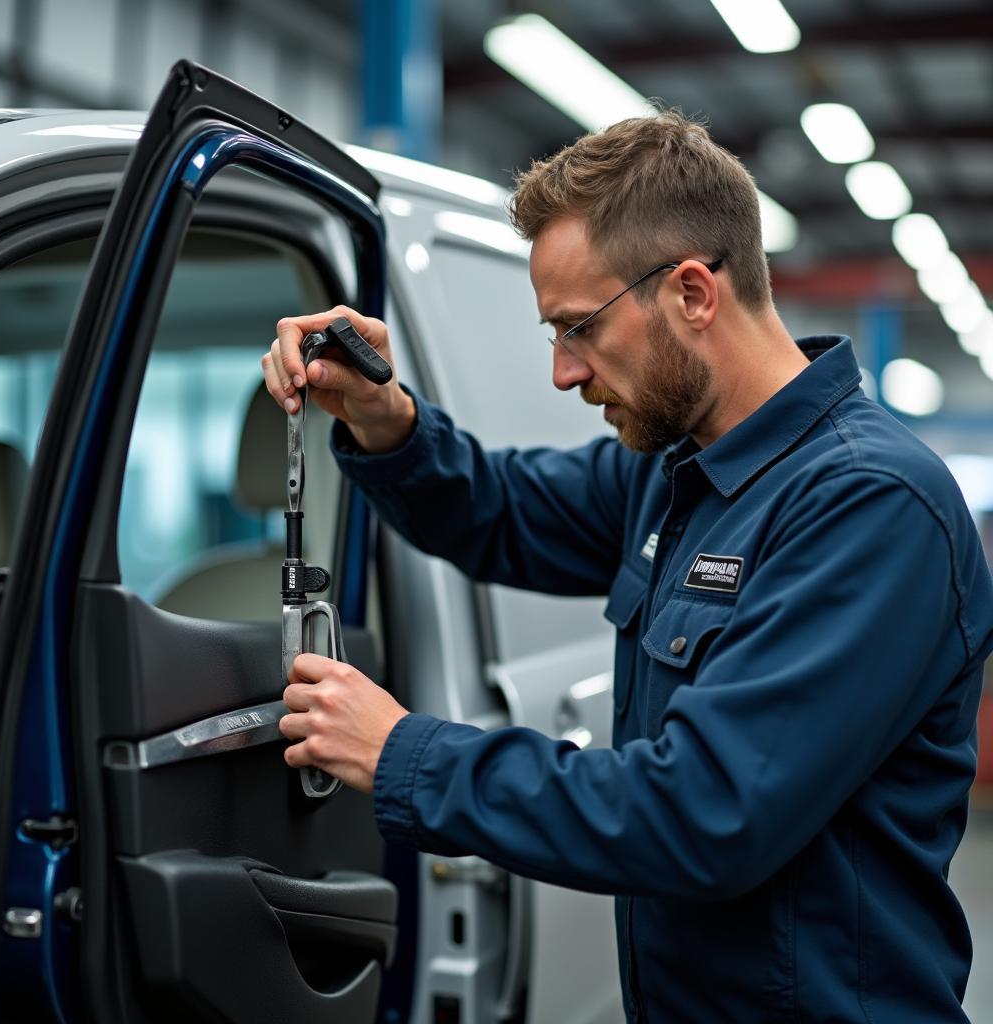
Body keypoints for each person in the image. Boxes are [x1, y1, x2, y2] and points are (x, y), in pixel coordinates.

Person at [261, 111, 993, 1022]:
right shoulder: (675, 469)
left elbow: (704, 813)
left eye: (579, 330)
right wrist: (383, 417)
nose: (565, 374)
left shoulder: (871, 507)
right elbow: (500, 512)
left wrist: (406, 754)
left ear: (692, 293)